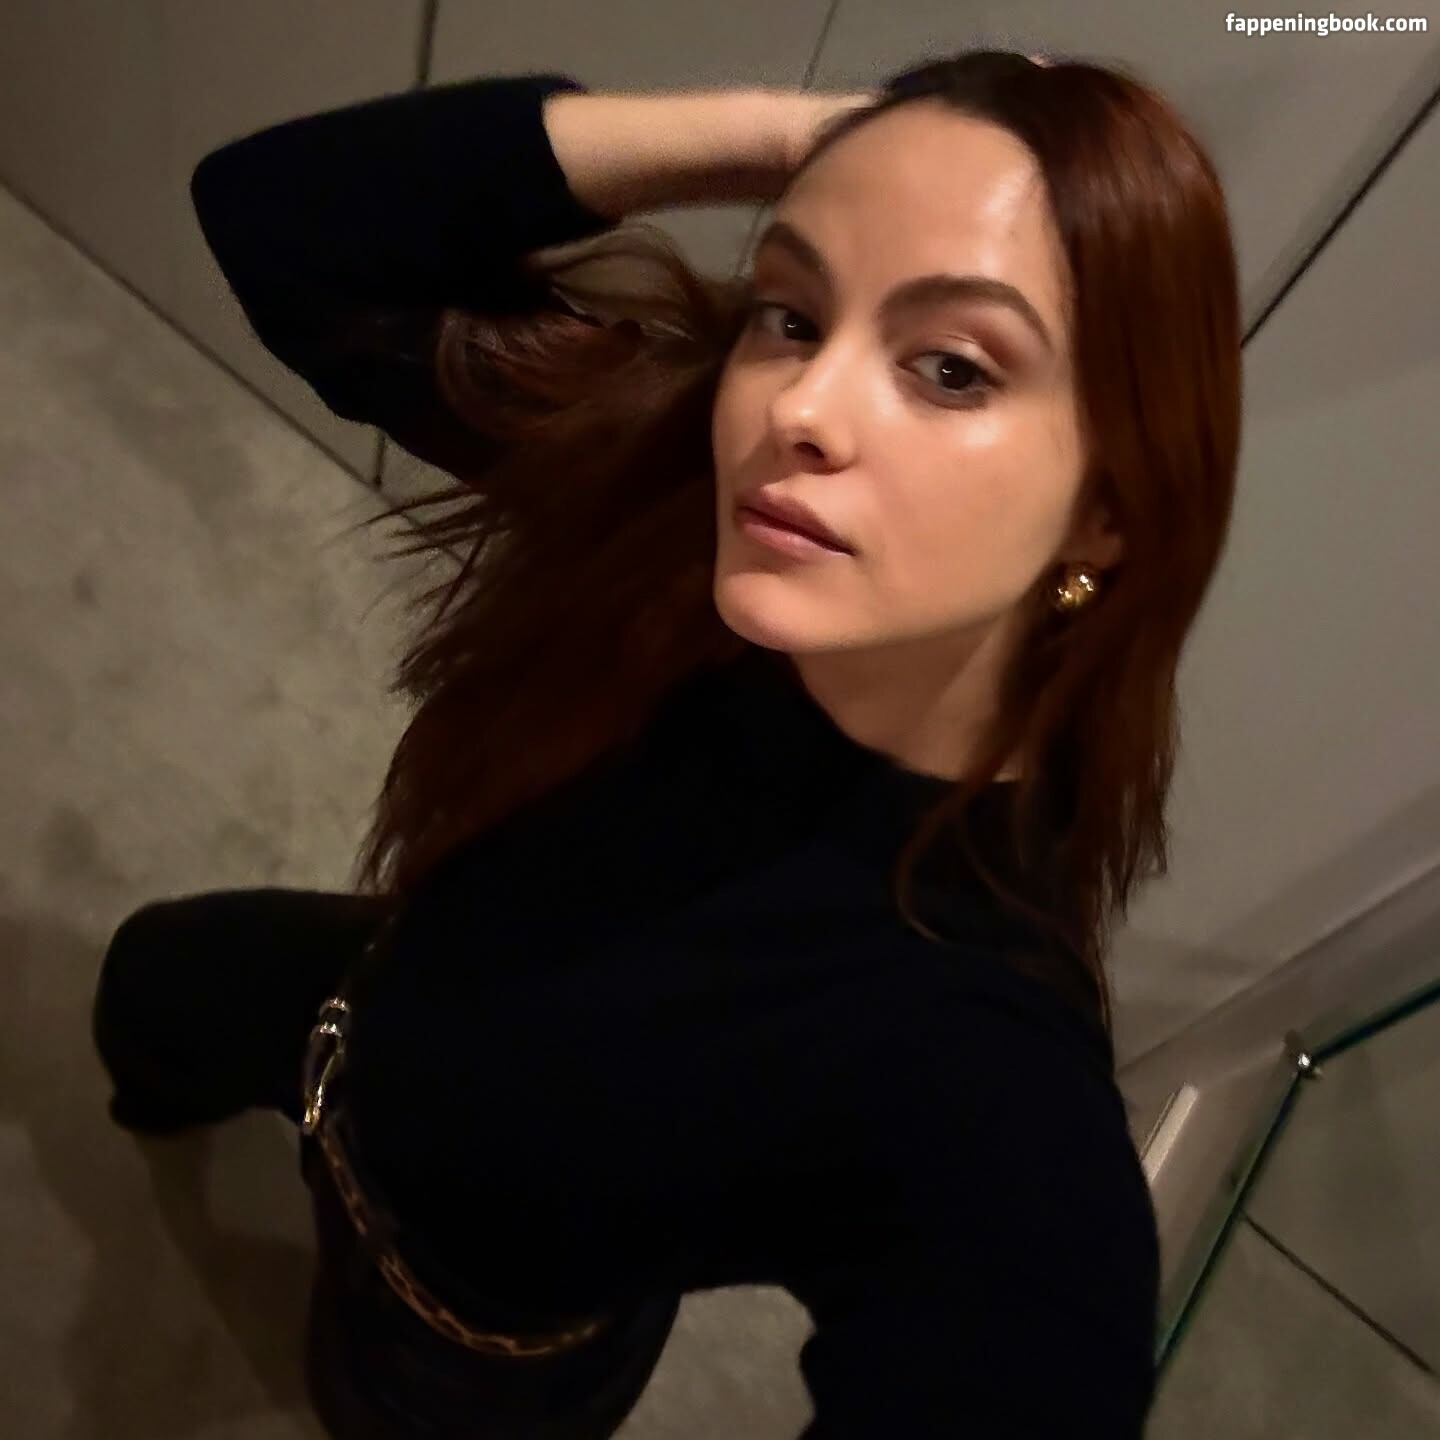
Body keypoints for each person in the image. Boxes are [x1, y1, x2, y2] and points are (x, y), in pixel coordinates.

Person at [92, 48, 1241, 1439]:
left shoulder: (981, 1063)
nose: (798, 411)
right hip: (366, 997)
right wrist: (817, 143)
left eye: (950, 367)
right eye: (792, 312)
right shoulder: (684, 497)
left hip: (456, 1334)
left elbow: (1018, 1330)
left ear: (1106, 512)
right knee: (146, 983)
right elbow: (278, 221)